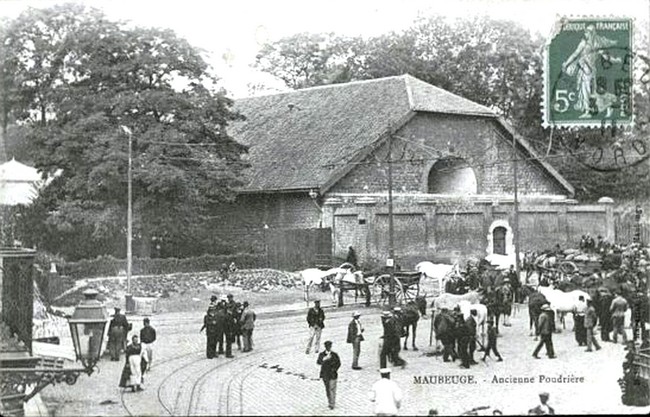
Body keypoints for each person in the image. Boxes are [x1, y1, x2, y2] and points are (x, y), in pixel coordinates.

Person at [317, 340, 341, 410]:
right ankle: (330, 401)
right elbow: (318, 362)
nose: (328, 347)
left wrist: (334, 369)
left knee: (332, 389)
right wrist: (324, 359)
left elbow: (338, 363)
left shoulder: (334, 355)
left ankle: (332, 403)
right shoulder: (322, 354)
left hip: (333, 374)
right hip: (325, 374)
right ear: (325, 347)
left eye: (329, 346)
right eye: (327, 346)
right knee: (327, 389)